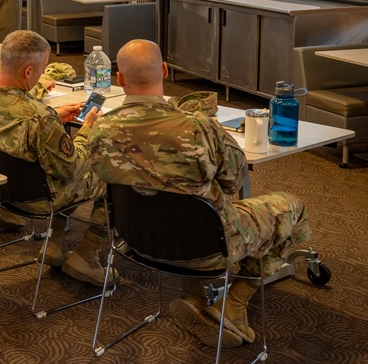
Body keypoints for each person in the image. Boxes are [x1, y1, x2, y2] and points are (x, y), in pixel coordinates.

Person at [88, 39, 311, 349]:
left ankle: (195, 296)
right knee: (291, 206)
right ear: (164, 71)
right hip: (207, 247)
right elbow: (234, 183)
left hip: (137, 242)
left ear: (119, 78)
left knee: (178, 206)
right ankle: (234, 303)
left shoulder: (100, 128)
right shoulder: (198, 128)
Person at [0, 30, 115, 286]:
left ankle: (55, 245)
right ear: (28, 72)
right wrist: (88, 128)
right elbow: (72, 169)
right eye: (42, 70)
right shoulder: (40, 119)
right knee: (111, 172)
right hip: (40, 200)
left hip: (0, 190)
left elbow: (8, 121)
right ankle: (87, 256)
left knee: (53, 164)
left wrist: (53, 116)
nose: (42, 75)